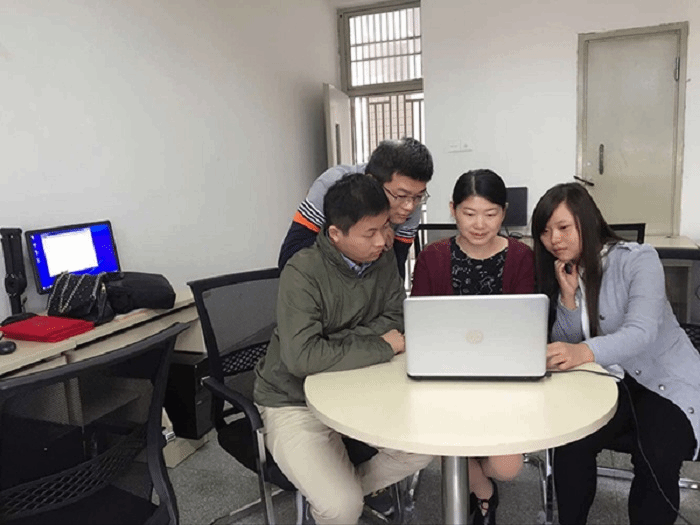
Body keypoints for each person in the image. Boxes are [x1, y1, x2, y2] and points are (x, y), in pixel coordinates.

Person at [254, 173, 433, 525]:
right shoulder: (302, 272)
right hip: (293, 399)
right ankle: (340, 499)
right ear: (336, 234)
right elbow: (302, 358)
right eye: (370, 233)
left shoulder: (382, 259)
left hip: (358, 384)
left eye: (385, 227)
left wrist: (331, 342)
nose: (382, 241)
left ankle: (342, 489)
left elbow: (396, 320)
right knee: (341, 508)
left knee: (422, 447)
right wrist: (378, 344)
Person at [531, 182, 700, 525]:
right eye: (545, 232)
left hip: (663, 381)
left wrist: (583, 351)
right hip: (609, 382)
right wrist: (567, 299)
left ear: (587, 221)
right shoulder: (565, 270)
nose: (554, 240)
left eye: (563, 227)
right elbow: (566, 346)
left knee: (656, 452)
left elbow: (641, 332)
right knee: (571, 440)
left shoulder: (638, 259)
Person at [411, 169, 531, 525]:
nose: (480, 224)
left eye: (490, 214)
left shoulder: (521, 257)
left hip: (504, 380)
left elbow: (525, 328)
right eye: (469, 213)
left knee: (508, 467)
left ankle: (473, 476)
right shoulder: (432, 257)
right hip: (444, 379)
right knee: (430, 441)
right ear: (453, 210)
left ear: (504, 212)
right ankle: (483, 492)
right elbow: (419, 325)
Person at [278, 137, 434, 277]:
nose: (409, 206)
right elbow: (289, 258)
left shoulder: (411, 203)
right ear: (372, 181)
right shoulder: (331, 185)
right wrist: (354, 241)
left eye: (418, 196)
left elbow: (396, 271)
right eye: (401, 195)